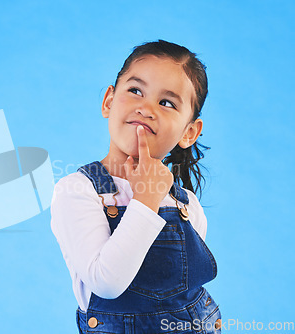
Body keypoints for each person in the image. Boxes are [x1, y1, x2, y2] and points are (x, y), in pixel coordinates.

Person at [50, 40, 222, 334]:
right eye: (135, 91)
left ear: (189, 132)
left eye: (167, 103)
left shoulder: (186, 205)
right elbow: (107, 283)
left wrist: (156, 196)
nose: (146, 108)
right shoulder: (79, 191)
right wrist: (146, 200)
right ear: (108, 102)